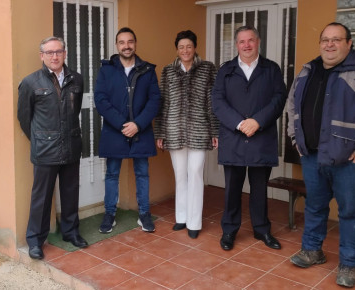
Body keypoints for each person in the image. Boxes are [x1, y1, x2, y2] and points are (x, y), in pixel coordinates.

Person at [286, 22, 355, 288]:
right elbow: (292, 106)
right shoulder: (308, 70)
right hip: (312, 156)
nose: (329, 44)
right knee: (314, 206)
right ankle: (312, 250)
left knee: (350, 212)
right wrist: (294, 138)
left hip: (350, 161)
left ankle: (348, 263)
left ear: (349, 43)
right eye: (325, 39)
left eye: (336, 39)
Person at [211, 26, 287, 251]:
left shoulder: (271, 69)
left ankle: (262, 229)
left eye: (250, 40)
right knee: (232, 190)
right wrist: (240, 123)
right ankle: (229, 231)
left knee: (259, 189)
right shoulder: (225, 70)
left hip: (261, 139)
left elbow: (279, 98)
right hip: (233, 137)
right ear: (236, 45)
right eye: (242, 41)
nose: (246, 45)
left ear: (258, 42)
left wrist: (257, 121)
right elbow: (218, 101)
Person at [17, 36, 88, 260]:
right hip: (44, 151)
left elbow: (74, 112)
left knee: (70, 192)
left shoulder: (76, 79)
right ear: (42, 56)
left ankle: (70, 232)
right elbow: (24, 118)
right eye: (50, 52)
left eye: (58, 51)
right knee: (42, 197)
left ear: (65, 54)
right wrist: (41, 139)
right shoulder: (30, 82)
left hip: (71, 146)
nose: (55, 56)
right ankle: (35, 241)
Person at [94, 27, 160, 234]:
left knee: (142, 173)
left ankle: (144, 214)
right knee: (112, 174)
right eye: (122, 42)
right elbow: (101, 100)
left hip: (141, 130)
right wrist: (123, 124)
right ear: (117, 45)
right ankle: (109, 214)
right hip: (116, 130)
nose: (126, 46)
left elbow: (155, 100)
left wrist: (138, 124)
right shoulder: (106, 70)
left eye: (130, 41)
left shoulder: (148, 70)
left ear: (135, 44)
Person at [154, 30, 218, 239]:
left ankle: (194, 222)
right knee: (180, 175)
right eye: (181, 47)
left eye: (188, 46)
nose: (185, 50)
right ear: (177, 49)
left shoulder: (207, 69)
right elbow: (163, 103)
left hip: (200, 130)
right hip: (174, 130)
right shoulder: (168, 71)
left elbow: (213, 102)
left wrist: (215, 130)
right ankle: (181, 217)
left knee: (196, 173)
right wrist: (160, 132)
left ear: (195, 47)